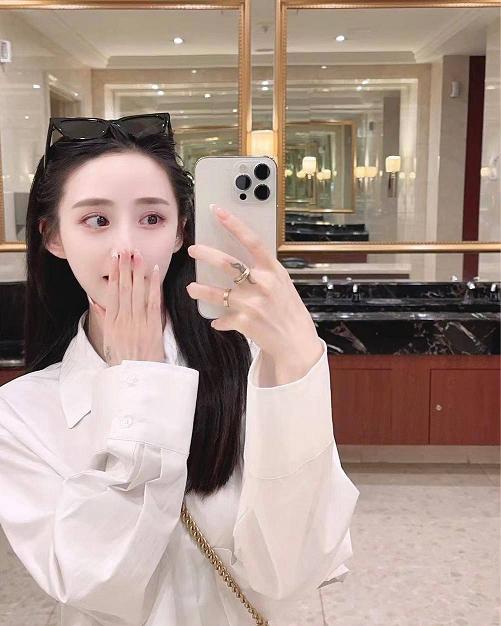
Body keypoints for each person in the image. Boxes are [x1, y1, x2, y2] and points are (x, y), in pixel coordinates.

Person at [0, 113, 360, 626]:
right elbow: (94, 583)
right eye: (96, 220)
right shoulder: (20, 413)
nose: (126, 248)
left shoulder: (249, 367)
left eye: (151, 218)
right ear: (53, 237)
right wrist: (141, 388)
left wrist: (299, 366)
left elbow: (293, 573)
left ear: (179, 233)